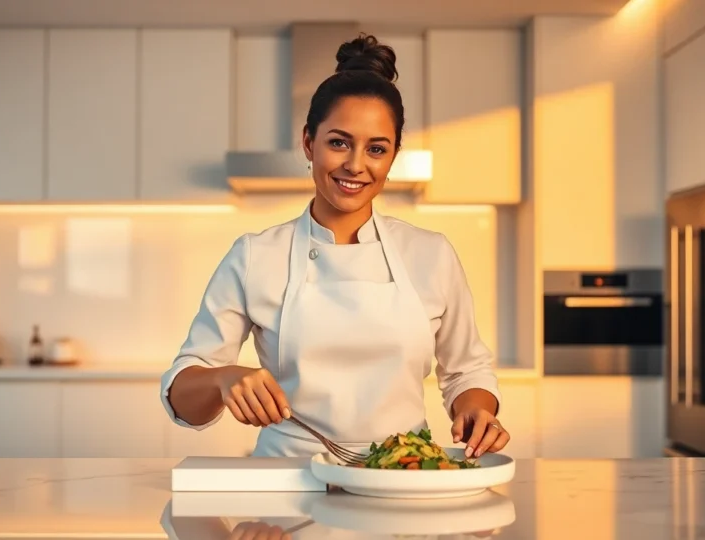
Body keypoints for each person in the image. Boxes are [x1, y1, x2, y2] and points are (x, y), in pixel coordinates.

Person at [160, 33, 509, 459]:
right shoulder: (254, 256)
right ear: (309, 142)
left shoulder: (432, 254)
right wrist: (223, 378)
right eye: (339, 142)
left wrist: (475, 411)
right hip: (286, 482)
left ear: (393, 156)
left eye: (376, 149)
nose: (355, 165)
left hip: (402, 475)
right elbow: (181, 397)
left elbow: (467, 371)